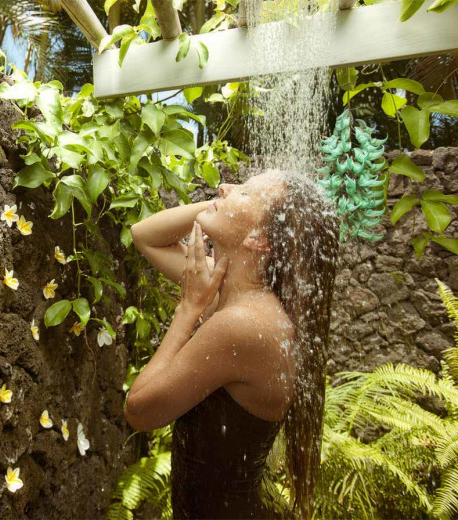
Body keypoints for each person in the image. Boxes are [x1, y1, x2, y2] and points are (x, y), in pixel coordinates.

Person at [124, 169, 340, 519]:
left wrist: (188, 309)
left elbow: (139, 411)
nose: (224, 186)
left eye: (243, 192)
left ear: (259, 239)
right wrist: (221, 205)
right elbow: (144, 235)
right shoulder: (230, 291)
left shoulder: (242, 325)